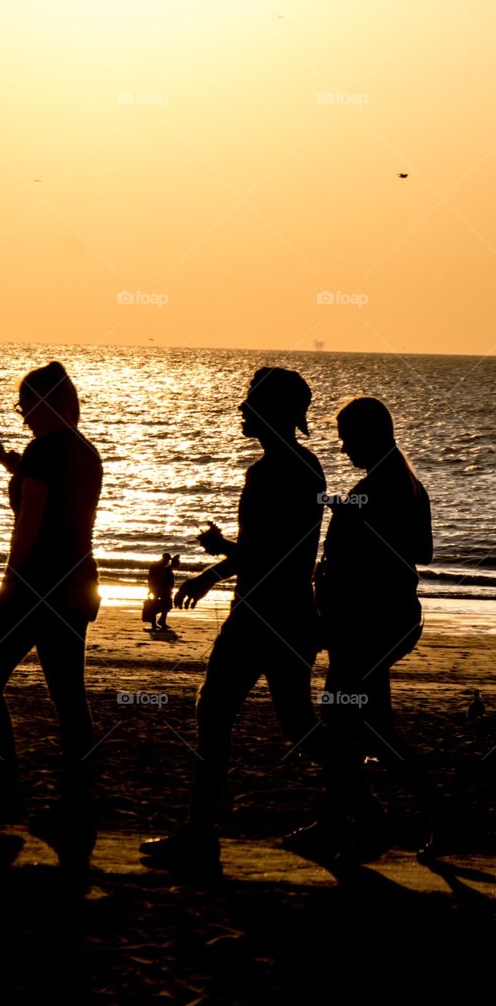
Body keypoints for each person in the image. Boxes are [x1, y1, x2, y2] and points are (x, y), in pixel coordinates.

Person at [140, 367, 335, 877]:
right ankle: (361, 804)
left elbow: (265, 552)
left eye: (251, 404)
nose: (242, 410)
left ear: (268, 412)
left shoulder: (269, 473)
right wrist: (213, 571)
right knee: (296, 722)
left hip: (258, 616)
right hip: (293, 612)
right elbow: (280, 552)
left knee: (214, 713)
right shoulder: (308, 467)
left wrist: (219, 552)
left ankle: (200, 834)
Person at [0, 361, 102, 832]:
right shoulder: (84, 451)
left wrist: (9, 580)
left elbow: (31, 524)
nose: (23, 415)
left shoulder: (43, 451)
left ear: (47, 403)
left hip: (37, 587)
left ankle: (3, 792)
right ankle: (77, 802)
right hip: (78, 584)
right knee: (68, 697)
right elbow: (59, 503)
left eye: (27, 404)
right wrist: (17, 469)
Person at [309, 396, 442, 857]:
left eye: (347, 438)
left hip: (370, 625)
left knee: (351, 722)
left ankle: (431, 815)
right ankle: (341, 819)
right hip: (378, 622)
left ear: (369, 436)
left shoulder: (384, 489)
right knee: (352, 722)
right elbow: (421, 552)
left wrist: (362, 521)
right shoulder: (404, 484)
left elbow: (412, 552)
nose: (343, 448)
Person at [145, 553, 176, 630]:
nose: (168, 561)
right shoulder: (161, 566)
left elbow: (149, 578)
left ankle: (159, 622)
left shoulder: (159, 566)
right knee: (164, 605)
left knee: (165, 605)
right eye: (167, 560)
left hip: (161, 589)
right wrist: (150, 589)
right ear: (164, 558)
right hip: (160, 589)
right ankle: (157, 622)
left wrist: (150, 588)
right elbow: (151, 578)